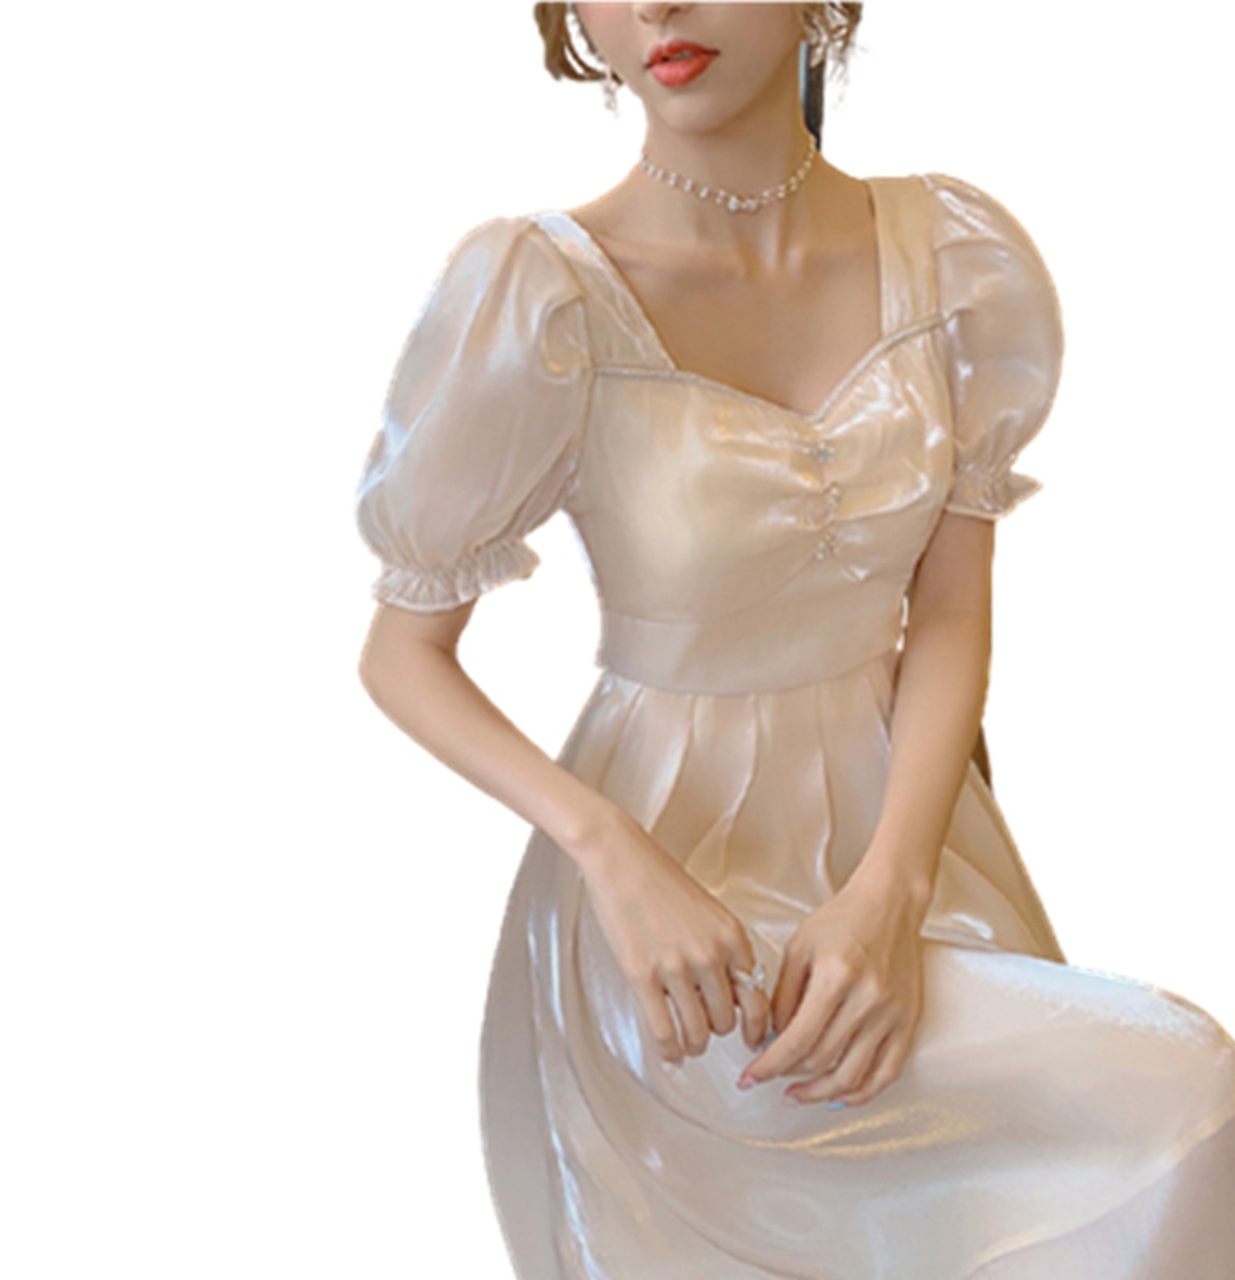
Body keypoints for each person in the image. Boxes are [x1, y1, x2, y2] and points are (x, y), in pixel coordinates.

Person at [355, 4, 1235, 1275]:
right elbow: (400, 651)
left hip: (906, 840)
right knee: (1166, 1087)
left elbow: (946, 610)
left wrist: (889, 890)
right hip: (671, 904)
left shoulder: (953, 263)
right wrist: (609, 851)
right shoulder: (539, 294)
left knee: (1173, 1095)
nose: (654, 6)